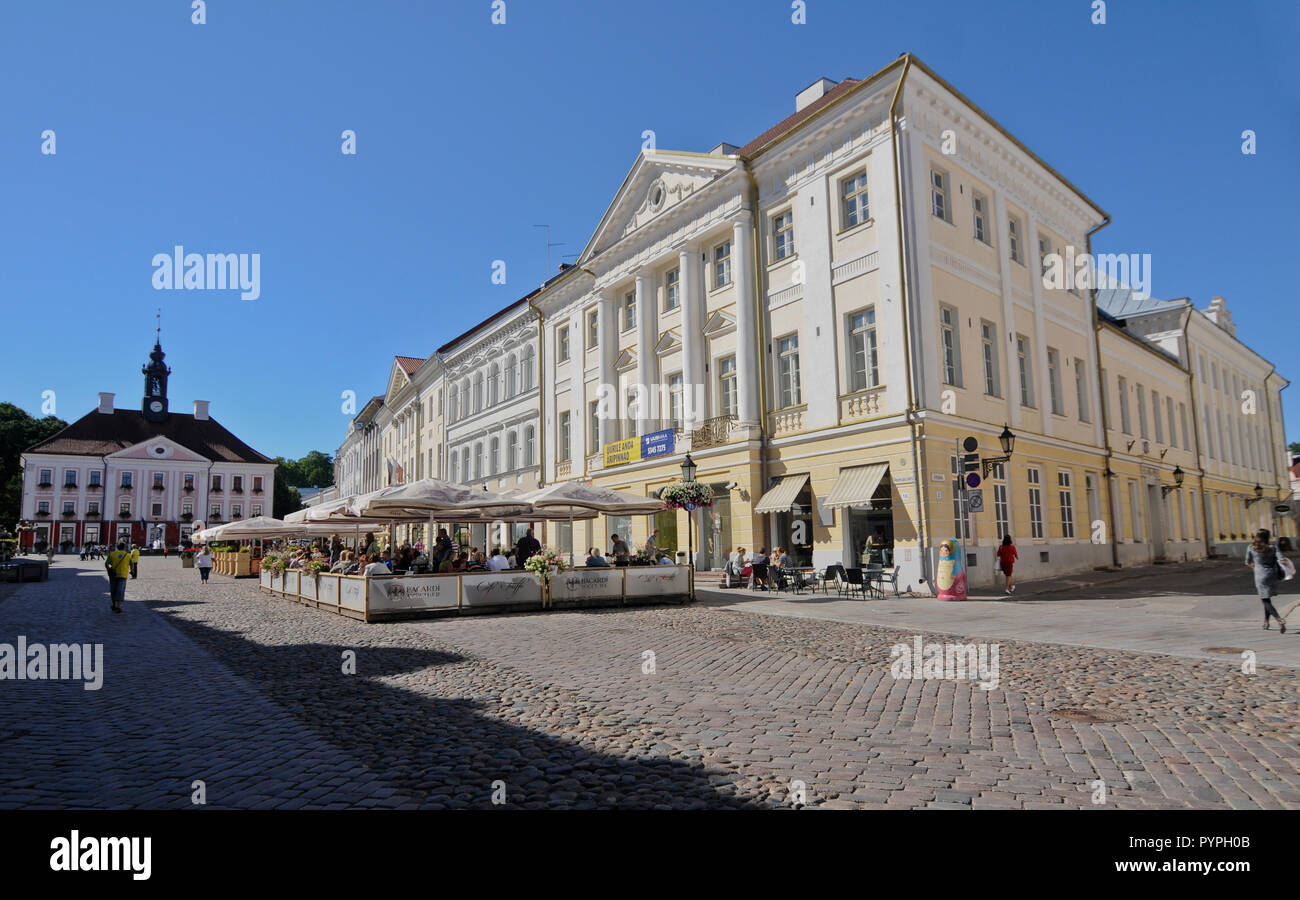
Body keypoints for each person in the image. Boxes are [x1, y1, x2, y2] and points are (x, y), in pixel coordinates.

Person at [1246, 529, 1286, 632]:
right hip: (1272, 575)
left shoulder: (1251, 547)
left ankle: (1279, 619)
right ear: (1268, 537)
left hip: (1260, 575)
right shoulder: (1272, 548)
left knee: (1265, 600)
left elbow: (1247, 562)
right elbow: (1281, 559)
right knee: (1267, 598)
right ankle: (1266, 623)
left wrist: (1255, 567)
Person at [105, 541, 131, 613]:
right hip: (123, 575)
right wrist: (132, 571)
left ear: (117, 547)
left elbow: (106, 563)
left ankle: (114, 604)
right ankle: (118, 606)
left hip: (113, 575)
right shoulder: (128, 555)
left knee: (113, 590)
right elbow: (131, 564)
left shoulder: (112, 554)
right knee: (120, 591)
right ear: (124, 547)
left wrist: (109, 570)